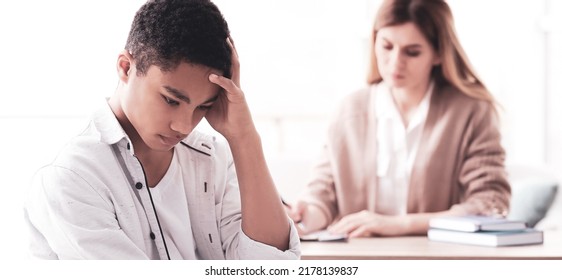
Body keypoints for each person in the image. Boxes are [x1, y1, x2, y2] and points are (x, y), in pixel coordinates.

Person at [24, 0, 300, 259]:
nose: (184, 126)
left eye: (203, 107)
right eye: (171, 100)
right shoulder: (72, 178)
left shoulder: (213, 157)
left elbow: (272, 268)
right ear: (125, 67)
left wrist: (244, 138)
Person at [286, 0, 511, 238]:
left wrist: (400, 225)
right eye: (386, 46)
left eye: (412, 52)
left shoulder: (472, 112)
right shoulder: (349, 110)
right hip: (359, 257)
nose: (395, 62)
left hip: (438, 258)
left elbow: (490, 204)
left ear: (438, 54)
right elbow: (323, 195)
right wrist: (304, 214)